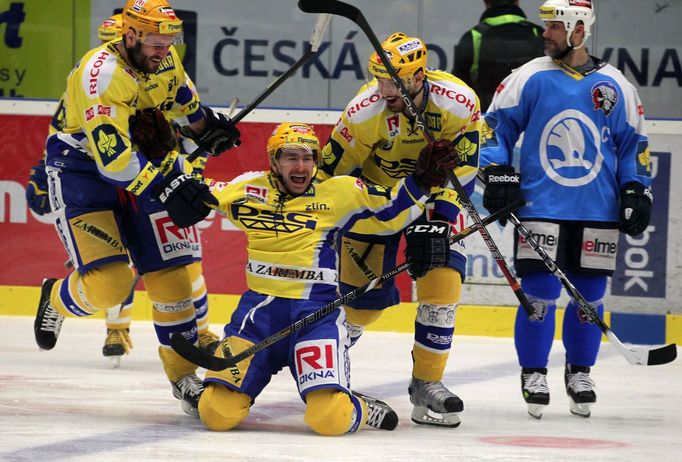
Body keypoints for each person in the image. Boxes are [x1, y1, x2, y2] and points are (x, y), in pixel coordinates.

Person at [32, 0, 240, 415]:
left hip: (146, 161)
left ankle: (183, 379)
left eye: (169, 42)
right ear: (130, 36)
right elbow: (114, 162)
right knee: (110, 284)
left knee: (173, 281)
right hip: (83, 173)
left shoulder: (163, 56)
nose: (165, 50)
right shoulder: (102, 75)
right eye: (157, 43)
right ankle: (56, 298)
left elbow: (185, 104)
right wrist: (168, 187)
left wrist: (208, 128)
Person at [186, 122, 457, 435]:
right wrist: (195, 155)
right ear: (273, 160)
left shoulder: (339, 191)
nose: (300, 166)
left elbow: (391, 208)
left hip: (315, 318)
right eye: (290, 157)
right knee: (216, 414)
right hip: (258, 317)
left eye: (308, 157)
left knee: (329, 419)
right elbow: (195, 193)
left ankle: (358, 406)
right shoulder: (247, 188)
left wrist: (423, 180)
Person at [479, 0, 652, 419]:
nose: (546, 33)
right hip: (539, 205)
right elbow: (493, 130)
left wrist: (635, 189)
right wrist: (498, 173)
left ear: (579, 30)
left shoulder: (616, 86)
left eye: (555, 26)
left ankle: (579, 372)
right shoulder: (529, 77)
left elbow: (633, 146)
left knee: (589, 298)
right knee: (538, 296)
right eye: (546, 25)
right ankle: (534, 372)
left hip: (598, 209)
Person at [318, 32, 481, 428]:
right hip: (379, 203)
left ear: (418, 77)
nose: (383, 89)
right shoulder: (364, 112)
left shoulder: (459, 103)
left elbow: (466, 166)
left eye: (392, 81)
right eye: (378, 79)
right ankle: (326, 375)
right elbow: (329, 171)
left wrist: (441, 220)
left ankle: (427, 383)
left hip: (432, 201)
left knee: (443, 284)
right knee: (361, 304)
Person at [453, 0, 544, 111]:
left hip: (488, 120)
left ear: (486, 2)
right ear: (518, 1)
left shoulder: (473, 37)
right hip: (531, 119)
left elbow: (458, 90)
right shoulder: (538, 33)